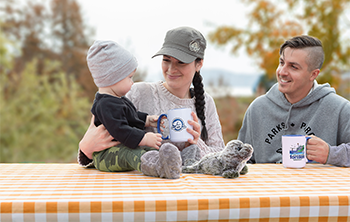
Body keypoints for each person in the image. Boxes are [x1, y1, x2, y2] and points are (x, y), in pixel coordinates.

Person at [78, 27, 225, 170]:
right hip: (143, 190)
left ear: (199, 64)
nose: (171, 69)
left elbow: (222, 158)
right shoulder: (137, 92)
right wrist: (85, 148)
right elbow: (98, 134)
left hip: (189, 190)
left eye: (181, 62)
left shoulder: (207, 103)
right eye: (166, 60)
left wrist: (195, 143)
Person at [238, 35, 350, 167]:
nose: (282, 72)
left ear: (313, 74)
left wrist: (331, 154)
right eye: (281, 62)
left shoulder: (340, 108)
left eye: (293, 67)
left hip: (318, 187)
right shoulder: (257, 108)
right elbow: (241, 160)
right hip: (267, 187)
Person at [84, 40, 182, 179]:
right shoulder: (105, 105)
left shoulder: (117, 99)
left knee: (149, 150)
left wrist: (148, 120)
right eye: (129, 77)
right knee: (132, 153)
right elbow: (120, 129)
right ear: (112, 78)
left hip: (118, 150)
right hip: (105, 155)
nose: (132, 82)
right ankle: (159, 167)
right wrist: (144, 138)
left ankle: (177, 161)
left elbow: (131, 116)